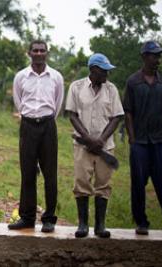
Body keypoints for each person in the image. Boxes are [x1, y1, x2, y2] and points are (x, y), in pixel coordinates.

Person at [124, 41, 162, 236]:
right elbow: (128, 112)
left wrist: (157, 123)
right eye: (154, 55)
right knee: (138, 184)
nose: (158, 59)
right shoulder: (133, 82)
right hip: (139, 142)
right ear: (144, 56)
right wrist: (132, 139)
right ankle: (141, 222)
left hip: (160, 140)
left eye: (159, 56)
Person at [65, 53, 124, 238]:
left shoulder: (111, 89)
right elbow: (72, 114)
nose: (107, 74)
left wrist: (101, 140)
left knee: (103, 184)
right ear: (93, 70)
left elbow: (117, 117)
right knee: (81, 182)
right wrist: (88, 138)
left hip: (105, 147)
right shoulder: (77, 87)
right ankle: (83, 224)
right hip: (82, 146)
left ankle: (100, 225)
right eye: (103, 70)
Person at [9, 40, 64, 233]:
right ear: (29, 53)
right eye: (35, 50)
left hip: (48, 126)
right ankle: (27, 218)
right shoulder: (21, 77)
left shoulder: (56, 77)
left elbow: (57, 103)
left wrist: (45, 119)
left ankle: (49, 219)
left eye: (42, 50)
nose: (39, 53)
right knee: (28, 173)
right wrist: (30, 118)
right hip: (28, 126)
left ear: (47, 53)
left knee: (50, 174)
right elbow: (18, 101)